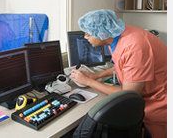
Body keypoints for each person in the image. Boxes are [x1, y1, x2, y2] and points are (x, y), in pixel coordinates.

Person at [71, 9, 167, 138]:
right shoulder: (118, 35)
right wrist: (96, 76)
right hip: (149, 93)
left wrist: (88, 82)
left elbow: (128, 94)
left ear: (101, 33)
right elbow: (123, 66)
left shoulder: (134, 47)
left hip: (160, 99)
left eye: (88, 34)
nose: (85, 37)